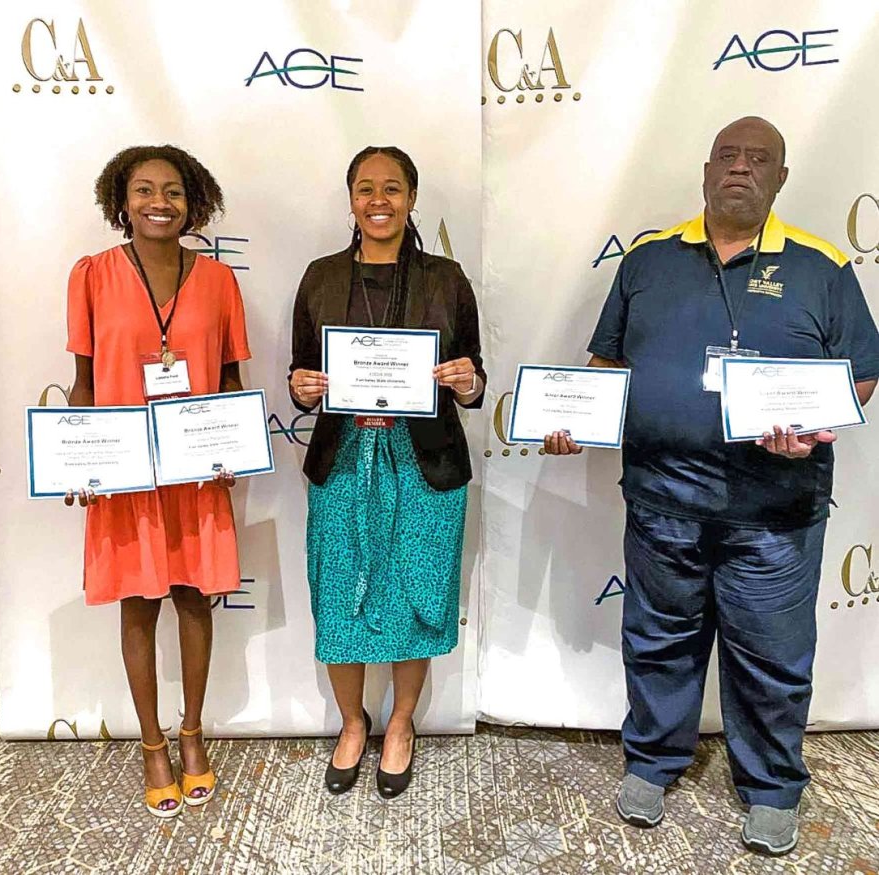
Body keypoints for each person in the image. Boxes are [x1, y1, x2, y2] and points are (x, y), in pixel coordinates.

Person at [545, 117, 879, 855]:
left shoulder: (821, 265)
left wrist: (814, 425)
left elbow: (861, 371)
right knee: (659, 640)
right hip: (664, 502)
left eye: (758, 159)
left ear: (781, 179)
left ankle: (770, 786)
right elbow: (607, 363)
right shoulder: (649, 259)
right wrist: (575, 418)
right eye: (728, 156)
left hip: (776, 513)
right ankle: (655, 760)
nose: (740, 168)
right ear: (704, 171)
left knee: (771, 654)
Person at [288, 146, 485, 799]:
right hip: (344, 459)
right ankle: (352, 722)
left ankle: (399, 725)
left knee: (413, 594)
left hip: (424, 463)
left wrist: (467, 380)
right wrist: (303, 386)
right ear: (350, 199)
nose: (380, 200)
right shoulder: (319, 277)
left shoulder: (446, 278)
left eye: (393, 188)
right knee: (339, 593)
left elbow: (476, 375)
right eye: (367, 188)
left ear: (411, 198)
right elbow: (298, 376)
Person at [66, 145, 251, 818]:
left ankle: (193, 735)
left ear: (192, 202)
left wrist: (235, 447)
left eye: (173, 191)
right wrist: (78, 460)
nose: (159, 202)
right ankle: (152, 745)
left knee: (195, 599)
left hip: (195, 471)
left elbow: (230, 380)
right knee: (139, 605)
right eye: (144, 190)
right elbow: (84, 383)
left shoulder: (220, 281)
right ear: (121, 200)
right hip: (125, 473)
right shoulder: (90, 275)